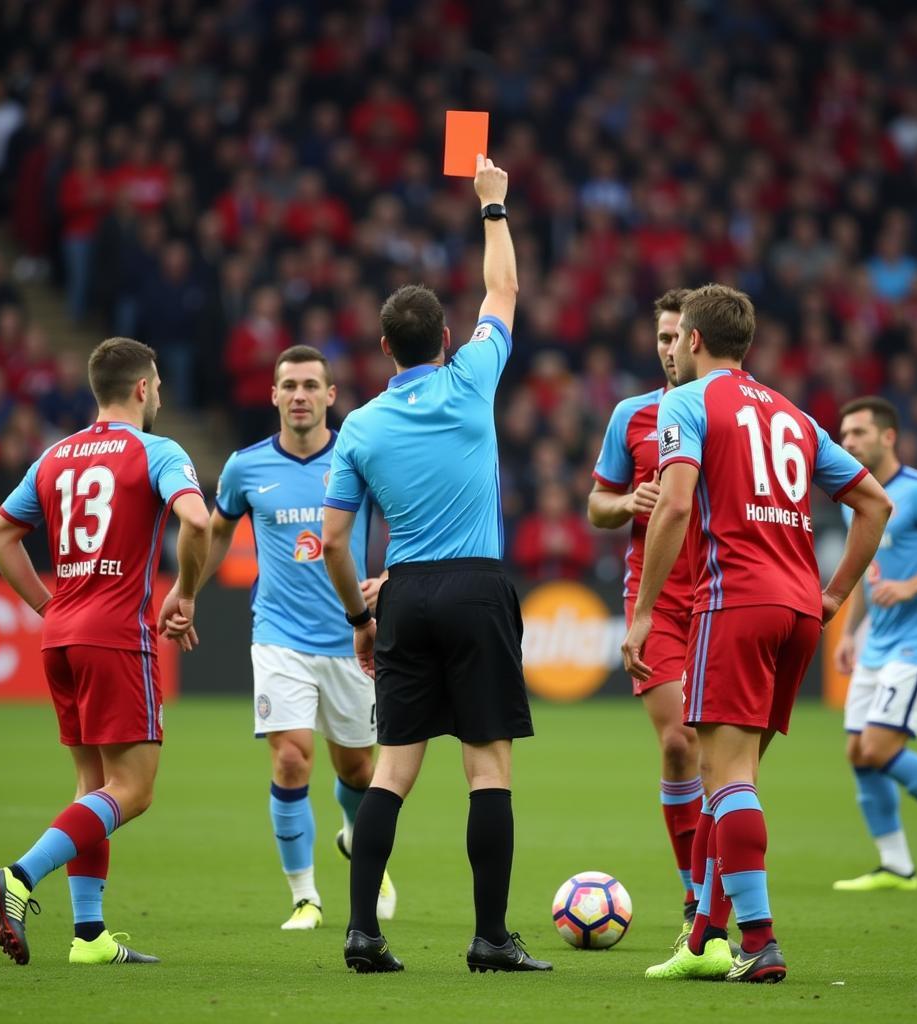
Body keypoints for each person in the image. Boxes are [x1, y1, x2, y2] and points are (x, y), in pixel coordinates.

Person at [321, 156, 550, 974]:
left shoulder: (359, 427)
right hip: (479, 584)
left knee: (392, 771)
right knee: (487, 768)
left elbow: (337, 542)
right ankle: (490, 939)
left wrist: (361, 617)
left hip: (407, 594)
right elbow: (505, 292)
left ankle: (361, 934)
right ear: (445, 340)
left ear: (385, 348)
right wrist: (493, 206)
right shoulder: (472, 379)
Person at [623, 284, 891, 983]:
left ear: (694, 342)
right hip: (800, 608)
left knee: (729, 776)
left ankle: (759, 940)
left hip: (735, 601)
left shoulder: (685, 403)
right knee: (724, 778)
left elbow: (676, 504)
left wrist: (647, 609)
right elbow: (873, 501)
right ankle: (704, 935)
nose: (672, 348)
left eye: (676, 339)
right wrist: (834, 592)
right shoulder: (795, 416)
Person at [0, 337, 210, 966]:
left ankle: (89, 937)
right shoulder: (156, 450)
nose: (159, 393)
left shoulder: (55, 456)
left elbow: (0, 535)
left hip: (62, 637)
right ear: (142, 388)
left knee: (92, 788)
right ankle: (19, 877)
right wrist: (185, 593)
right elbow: (196, 519)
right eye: (157, 385)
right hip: (115, 638)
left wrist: (49, 607)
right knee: (132, 791)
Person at [162, 344, 395, 931]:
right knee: (292, 758)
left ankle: (355, 837)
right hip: (278, 635)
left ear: (330, 396)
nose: (299, 395)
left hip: (351, 637)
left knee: (358, 772)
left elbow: (410, 515)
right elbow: (215, 532)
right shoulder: (245, 467)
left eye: (310, 386)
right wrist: (187, 590)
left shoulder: (357, 456)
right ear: (272, 395)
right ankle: (305, 897)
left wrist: (390, 576)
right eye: (288, 385)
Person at [588, 288, 704, 950]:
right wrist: (631, 498)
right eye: (660, 337)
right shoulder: (631, 416)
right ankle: (695, 892)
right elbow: (595, 506)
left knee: (724, 758)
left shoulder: (729, 415)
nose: (667, 348)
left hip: (723, 595)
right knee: (679, 741)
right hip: (654, 600)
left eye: (676, 336)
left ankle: (721, 889)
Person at [832, 397, 917, 892]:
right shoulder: (860, 500)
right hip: (876, 647)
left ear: (888, 437)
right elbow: (871, 577)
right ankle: (897, 866)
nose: (848, 442)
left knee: (879, 746)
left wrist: (914, 586)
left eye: (859, 433)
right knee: (856, 752)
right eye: (844, 435)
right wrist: (849, 634)